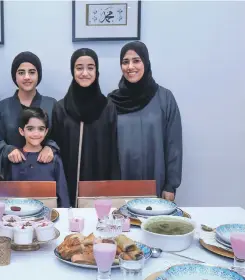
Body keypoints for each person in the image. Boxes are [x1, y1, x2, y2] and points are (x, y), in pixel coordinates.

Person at [108, 41, 182, 201]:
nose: (130, 67)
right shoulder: (112, 101)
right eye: (125, 62)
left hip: (155, 181)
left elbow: (173, 144)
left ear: (146, 62)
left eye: (136, 60)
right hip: (120, 181)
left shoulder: (165, 98)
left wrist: (171, 185)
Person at [51, 48, 120, 207]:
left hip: (99, 180)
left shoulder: (107, 107)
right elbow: (54, 147)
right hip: (67, 181)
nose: (85, 73)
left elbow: (113, 150)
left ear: (97, 71)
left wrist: (113, 187)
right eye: (79, 68)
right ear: (72, 71)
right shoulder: (61, 108)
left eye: (90, 67)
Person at [0, 51, 58, 179]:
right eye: (21, 72)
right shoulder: (3, 107)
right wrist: (8, 150)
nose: (27, 77)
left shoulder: (51, 104)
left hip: (44, 174)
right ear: (14, 76)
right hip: (13, 174)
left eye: (32, 72)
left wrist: (50, 147)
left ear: (38, 75)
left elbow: (61, 137)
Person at [7, 108, 70, 208]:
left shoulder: (54, 159)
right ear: (22, 131)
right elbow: (9, 194)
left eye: (40, 129)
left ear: (46, 131)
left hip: (49, 216)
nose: (36, 134)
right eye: (30, 129)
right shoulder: (14, 158)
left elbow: (62, 192)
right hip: (20, 216)